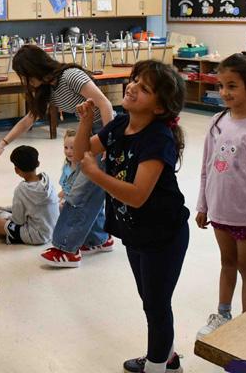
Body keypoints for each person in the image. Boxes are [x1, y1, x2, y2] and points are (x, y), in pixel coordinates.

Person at [74, 60, 189, 373]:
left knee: (156, 304)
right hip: (136, 231)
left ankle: (157, 366)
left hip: (164, 235)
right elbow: (82, 154)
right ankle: (168, 359)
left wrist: (96, 175)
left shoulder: (158, 138)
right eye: (135, 80)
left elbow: (138, 195)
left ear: (160, 107)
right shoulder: (120, 124)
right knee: (150, 300)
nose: (133, 87)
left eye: (145, 88)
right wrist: (85, 122)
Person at [0, 44, 114, 267]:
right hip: (86, 133)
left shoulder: (70, 76)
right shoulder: (48, 89)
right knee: (89, 188)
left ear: (35, 68)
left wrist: (108, 141)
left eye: (26, 76)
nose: (26, 82)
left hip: (103, 130)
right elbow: (28, 120)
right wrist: (3, 143)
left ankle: (66, 249)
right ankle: (99, 239)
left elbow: (104, 104)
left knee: (80, 191)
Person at [195, 53, 246, 339]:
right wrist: (203, 205)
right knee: (227, 263)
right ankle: (223, 314)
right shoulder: (218, 121)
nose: (224, 92)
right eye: (221, 86)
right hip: (219, 211)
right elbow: (206, 167)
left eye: (232, 86)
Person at [0, 145, 59, 245]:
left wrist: (4, 216)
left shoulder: (21, 190)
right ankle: (0, 231)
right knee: (2, 212)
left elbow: (18, 221)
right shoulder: (47, 180)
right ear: (38, 163)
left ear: (16, 170)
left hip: (37, 236)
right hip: (53, 229)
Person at [58, 128, 77, 208]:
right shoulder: (66, 166)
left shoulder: (82, 170)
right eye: (66, 147)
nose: (68, 151)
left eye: (72, 148)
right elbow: (64, 187)